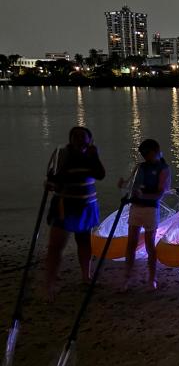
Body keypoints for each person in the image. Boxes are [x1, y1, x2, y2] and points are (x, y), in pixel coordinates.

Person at [45, 126, 106, 300]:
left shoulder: (91, 155)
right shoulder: (62, 154)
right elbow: (53, 178)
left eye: (83, 137)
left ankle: (86, 276)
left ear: (90, 140)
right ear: (71, 139)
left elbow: (100, 174)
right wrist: (50, 184)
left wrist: (93, 155)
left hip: (86, 206)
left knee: (84, 242)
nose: (80, 140)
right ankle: (49, 284)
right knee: (56, 246)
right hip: (65, 205)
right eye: (76, 137)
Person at [122, 139, 171, 291]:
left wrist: (142, 196)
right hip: (136, 207)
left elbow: (159, 193)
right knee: (131, 243)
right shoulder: (140, 167)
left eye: (147, 153)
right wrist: (124, 186)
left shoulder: (163, 169)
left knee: (150, 245)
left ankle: (152, 279)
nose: (145, 157)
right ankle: (127, 277)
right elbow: (130, 184)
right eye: (143, 154)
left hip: (150, 209)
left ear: (155, 152)